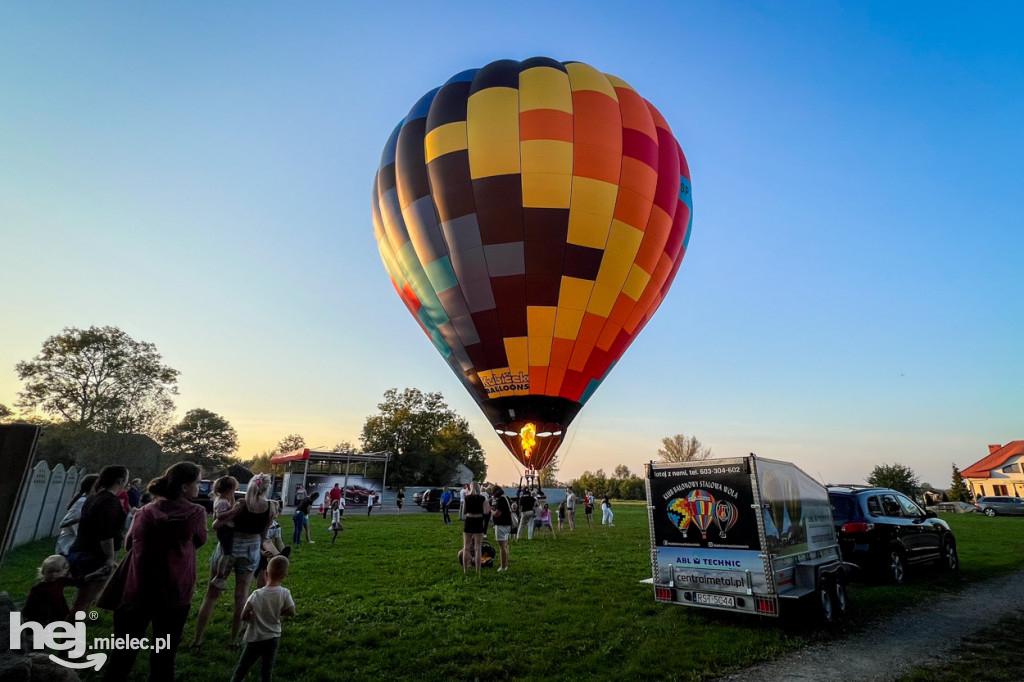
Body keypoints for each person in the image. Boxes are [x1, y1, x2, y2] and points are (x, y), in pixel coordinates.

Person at [100, 461, 207, 682]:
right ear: (185, 487)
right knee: (164, 657)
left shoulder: (145, 512)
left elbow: (130, 543)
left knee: (123, 654)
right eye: (197, 482)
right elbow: (200, 540)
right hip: (175, 591)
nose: (200, 487)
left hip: (137, 588)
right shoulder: (196, 513)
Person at [191, 474, 276, 649]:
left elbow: (218, 524)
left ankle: (198, 639)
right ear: (267, 488)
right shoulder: (271, 507)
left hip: (228, 550)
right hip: (251, 551)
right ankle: (233, 640)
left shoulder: (240, 503)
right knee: (242, 596)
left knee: (211, 595)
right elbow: (263, 535)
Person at [68, 465, 128, 614]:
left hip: (79, 550)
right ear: (120, 480)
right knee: (84, 603)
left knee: (80, 599)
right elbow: (106, 535)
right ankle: (70, 636)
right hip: (94, 556)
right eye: (126, 480)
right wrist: (109, 558)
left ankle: (69, 631)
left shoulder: (93, 498)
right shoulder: (110, 502)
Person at [229, 555, 295, 682]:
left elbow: (243, 616)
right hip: (273, 636)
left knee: (242, 667)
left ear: (266, 573)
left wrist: (250, 615)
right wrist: (279, 612)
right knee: (267, 669)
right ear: (284, 575)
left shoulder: (256, 595)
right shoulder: (285, 593)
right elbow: (292, 611)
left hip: (256, 637)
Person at [21, 555, 73, 626]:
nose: (54, 574)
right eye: (50, 572)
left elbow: (78, 581)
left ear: (64, 571)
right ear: (43, 572)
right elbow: (29, 604)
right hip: (41, 616)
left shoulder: (60, 581)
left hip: (57, 610)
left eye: (57, 571)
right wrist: (23, 617)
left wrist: (91, 576)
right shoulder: (37, 588)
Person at [55, 473, 99, 557]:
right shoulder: (82, 503)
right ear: (90, 487)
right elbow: (78, 530)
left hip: (75, 549)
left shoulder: (89, 502)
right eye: (97, 485)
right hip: (67, 550)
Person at [211, 476, 240, 591]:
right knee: (226, 553)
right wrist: (233, 510)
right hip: (224, 531)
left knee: (228, 551)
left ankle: (223, 570)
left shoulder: (224, 499)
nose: (234, 492)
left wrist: (232, 500)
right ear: (229, 490)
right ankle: (219, 576)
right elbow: (220, 516)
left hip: (226, 530)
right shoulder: (222, 502)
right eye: (234, 490)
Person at [461, 482, 490, 576]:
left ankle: (465, 569)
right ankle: (478, 570)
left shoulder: (467, 498)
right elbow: (486, 512)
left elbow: (464, 511)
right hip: (478, 521)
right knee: (478, 548)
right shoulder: (483, 498)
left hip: (469, 520)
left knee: (466, 547)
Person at [489, 486, 512, 572]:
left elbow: (498, 514)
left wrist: (492, 510)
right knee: (505, 545)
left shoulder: (501, 500)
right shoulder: (506, 498)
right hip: (507, 524)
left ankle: (503, 566)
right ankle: (506, 563)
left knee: (502, 546)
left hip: (501, 524)